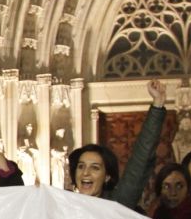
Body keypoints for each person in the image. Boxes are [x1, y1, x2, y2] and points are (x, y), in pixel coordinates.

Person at [67, 79, 166, 207]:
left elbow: (140, 161)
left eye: (95, 167)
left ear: (107, 176)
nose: (86, 173)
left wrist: (157, 107)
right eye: (81, 166)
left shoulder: (117, 203)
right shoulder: (65, 206)